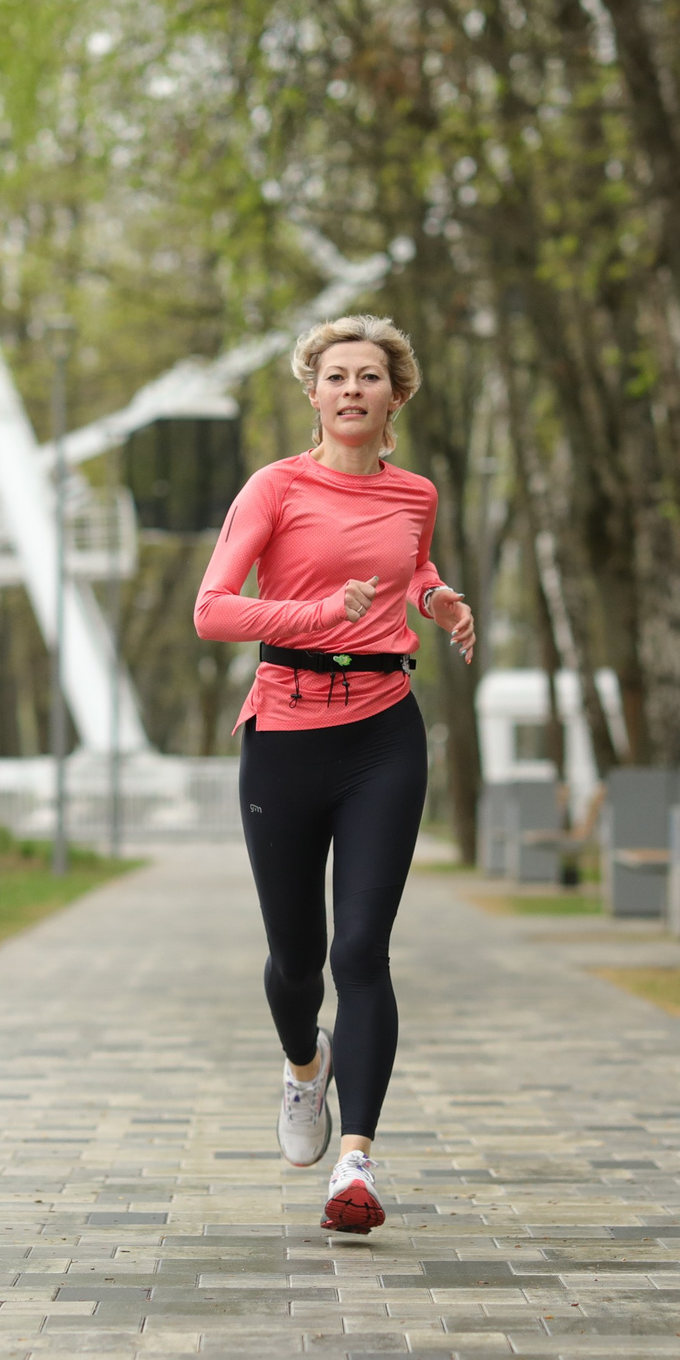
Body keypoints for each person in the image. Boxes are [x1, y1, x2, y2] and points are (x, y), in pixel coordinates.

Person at [193, 316, 476, 1234]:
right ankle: (303, 1069)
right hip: (283, 729)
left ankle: (354, 1164)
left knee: (361, 950)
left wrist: (437, 599)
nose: (353, 389)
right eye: (336, 376)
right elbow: (213, 610)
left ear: (396, 396)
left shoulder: (416, 492)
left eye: (371, 377)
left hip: (382, 732)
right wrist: (316, 613)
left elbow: (411, 564)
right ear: (312, 394)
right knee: (295, 960)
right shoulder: (275, 487)